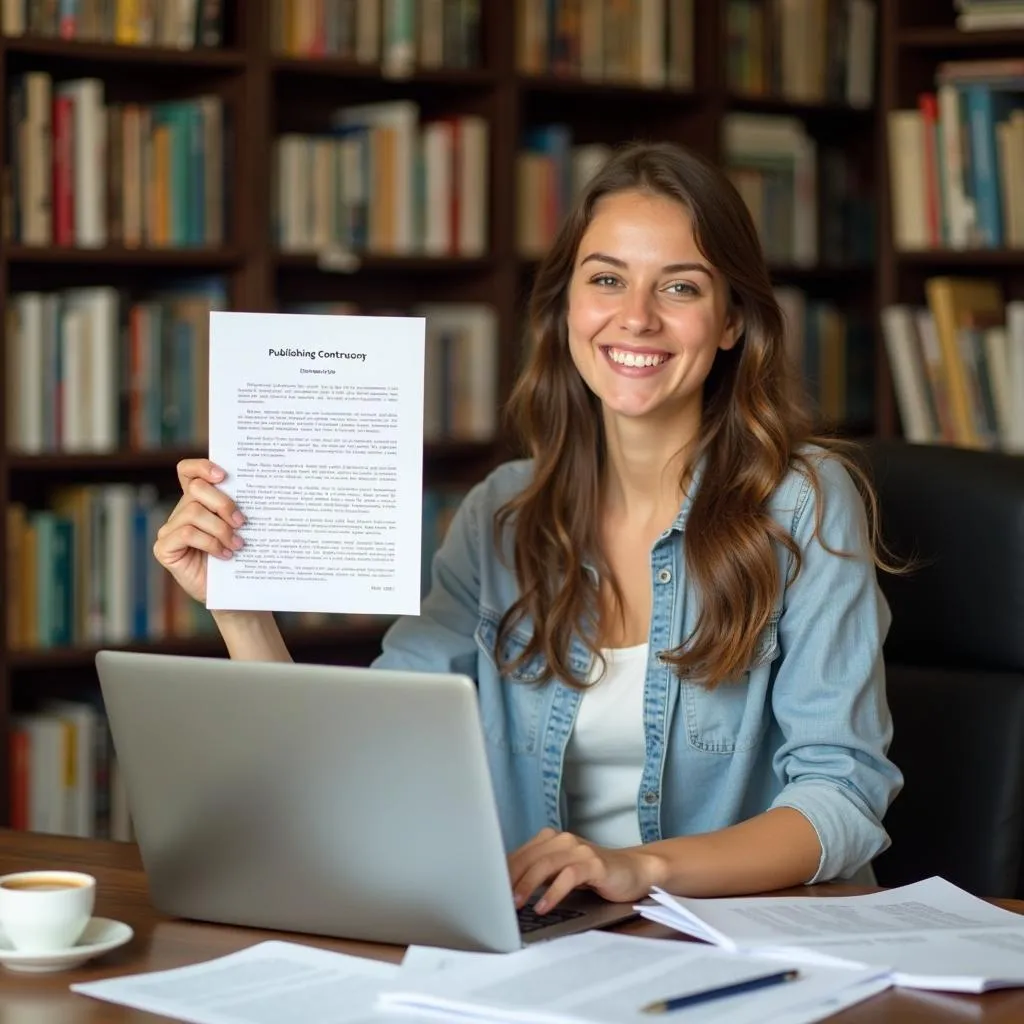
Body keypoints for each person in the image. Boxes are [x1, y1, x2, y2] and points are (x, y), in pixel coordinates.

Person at [153, 140, 903, 917]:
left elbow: (843, 797)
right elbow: (355, 771)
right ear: (567, 309)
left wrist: (636, 867)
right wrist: (239, 606)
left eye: (680, 287)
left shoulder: (806, 504)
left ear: (731, 323)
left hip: (745, 943)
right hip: (550, 944)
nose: (636, 318)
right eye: (607, 279)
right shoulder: (499, 516)